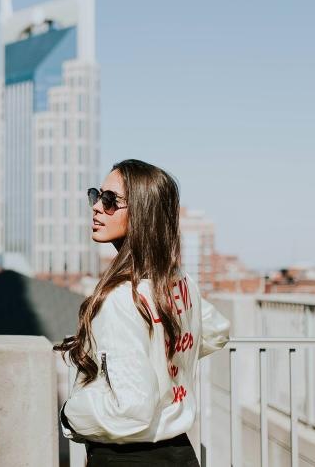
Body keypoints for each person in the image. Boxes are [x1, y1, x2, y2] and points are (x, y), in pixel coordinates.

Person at [55, 159, 230, 467]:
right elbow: (216, 330)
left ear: (142, 213)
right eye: (96, 195)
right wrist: (162, 362)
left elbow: (131, 410)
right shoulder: (178, 282)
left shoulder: (122, 298)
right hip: (179, 453)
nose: (96, 207)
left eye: (110, 201)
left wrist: (72, 414)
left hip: (127, 457)